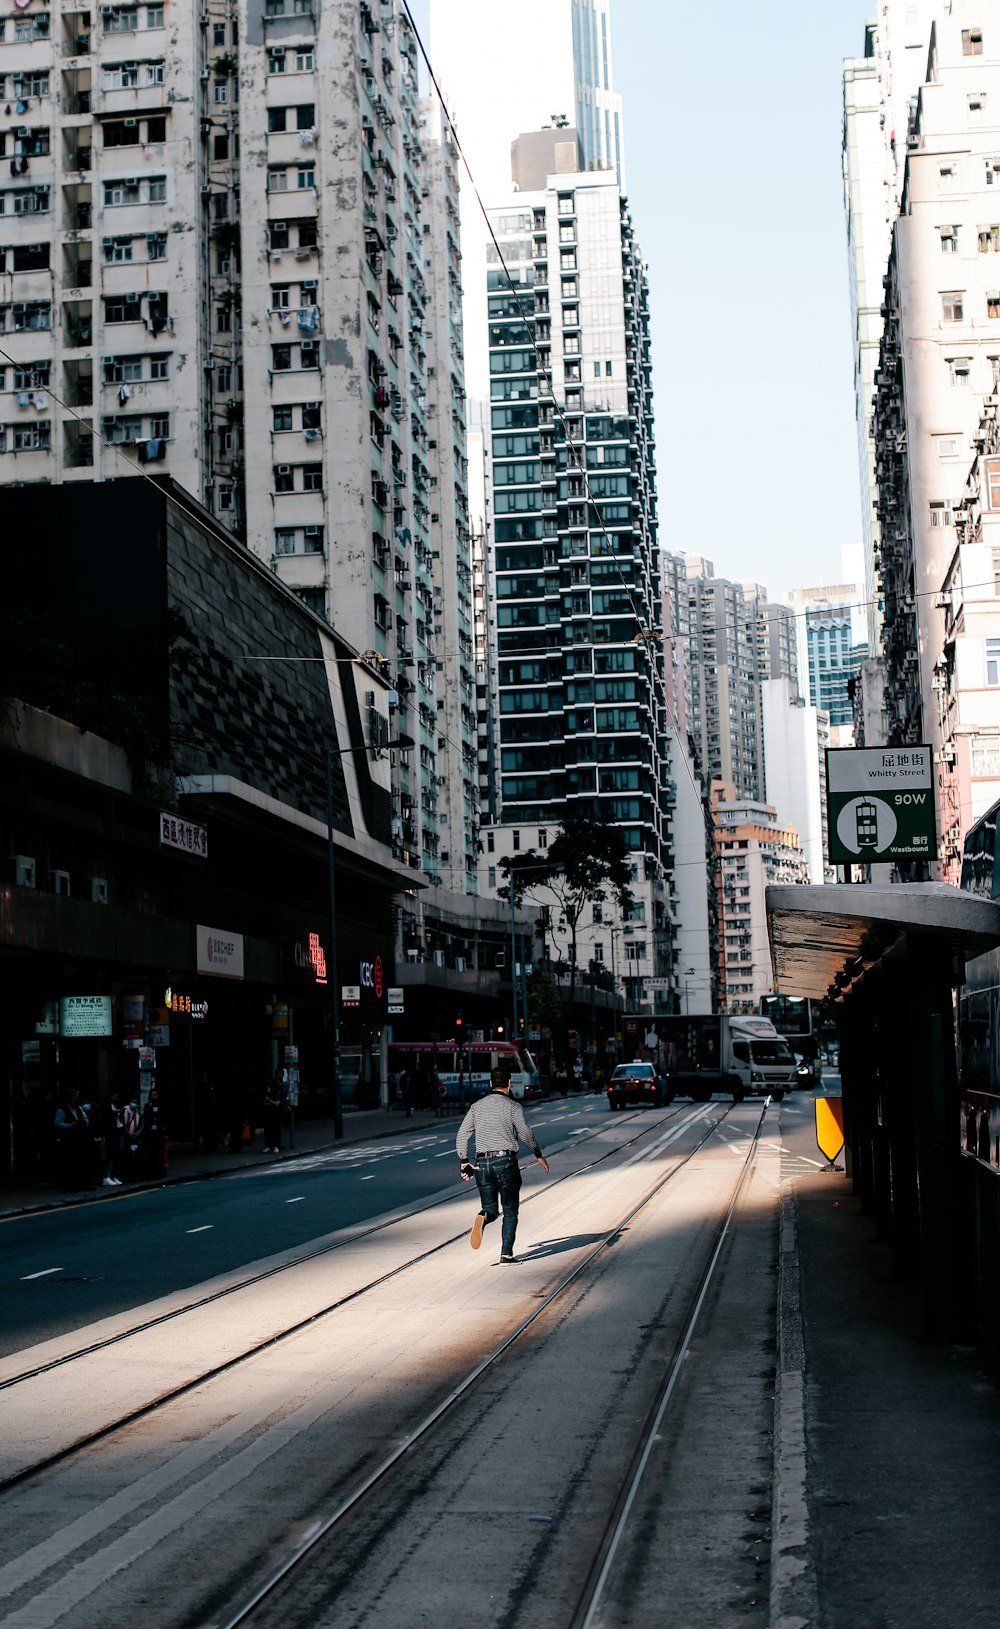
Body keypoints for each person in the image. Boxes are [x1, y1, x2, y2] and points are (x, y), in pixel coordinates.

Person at [456, 1066, 549, 1264]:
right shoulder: (514, 1107)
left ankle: (483, 1217)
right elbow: (525, 1133)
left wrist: (465, 1162)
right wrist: (538, 1154)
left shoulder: (476, 1107)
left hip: (482, 1163)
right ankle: (506, 1254)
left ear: (491, 1084)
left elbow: (462, 1134)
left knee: (490, 1208)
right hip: (505, 1162)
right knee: (510, 1209)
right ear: (509, 1084)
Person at [53, 1089, 93, 1191]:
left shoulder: (78, 1109)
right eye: (75, 1096)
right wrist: (70, 1125)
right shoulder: (62, 1110)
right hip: (68, 1141)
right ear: (70, 1098)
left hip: (79, 1140)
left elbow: (85, 1120)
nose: (77, 1099)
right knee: (70, 1164)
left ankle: (81, 1184)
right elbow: (57, 1123)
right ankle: (70, 1185)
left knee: (80, 1163)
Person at [140, 1087, 169, 1178]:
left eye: (155, 1095)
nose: (154, 1096)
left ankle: (159, 1171)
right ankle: (151, 1171)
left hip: (159, 1133)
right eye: (152, 1095)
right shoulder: (147, 1106)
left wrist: (165, 1134)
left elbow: (165, 1120)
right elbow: (146, 1119)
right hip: (150, 1133)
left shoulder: (162, 1106)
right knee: (151, 1152)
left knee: (158, 1152)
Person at [100, 1088, 124, 1187]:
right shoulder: (106, 1106)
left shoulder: (116, 1105)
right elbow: (106, 1118)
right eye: (115, 1096)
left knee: (116, 1155)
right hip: (110, 1133)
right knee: (110, 1155)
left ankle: (114, 1175)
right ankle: (106, 1176)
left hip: (118, 1131)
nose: (116, 1098)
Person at [262, 1068, 287, 1153]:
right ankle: (269, 1145)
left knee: (276, 1129)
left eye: (281, 1074)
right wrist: (269, 1101)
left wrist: (269, 1100)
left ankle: (276, 1145)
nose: (280, 1075)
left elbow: (277, 1103)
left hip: (277, 1111)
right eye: (278, 1074)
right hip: (270, 1111)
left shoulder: (281, 1087)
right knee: (268, 1129)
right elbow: (266, 1101)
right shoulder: (272, 1085)